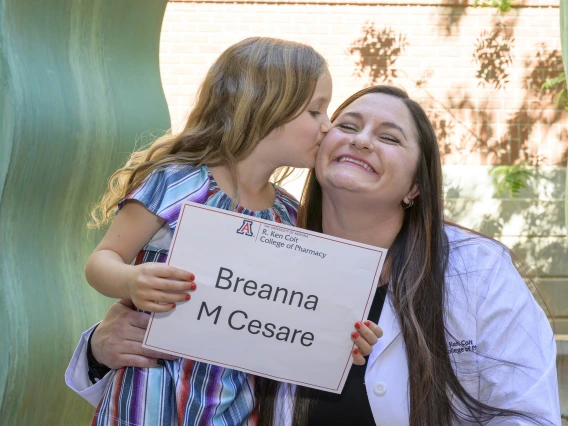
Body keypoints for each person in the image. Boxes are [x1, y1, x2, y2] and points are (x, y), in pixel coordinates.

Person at [67, 85, 561, 425]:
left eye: (389, 137)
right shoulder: (258, 238)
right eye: (346, 125)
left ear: (415, 187)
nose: (362, 139)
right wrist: (102, 348)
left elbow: (527, 413)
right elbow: (192, 361)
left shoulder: (476, 270)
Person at [80, 37, 381, 426]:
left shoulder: (292, 216)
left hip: (234, 408)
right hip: (149, 397)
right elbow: (101, 260)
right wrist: (131, 280)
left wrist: (341, 335)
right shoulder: (178, 182)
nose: (328, 127)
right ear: (264, 108)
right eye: (315, 111)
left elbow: (293, 308)